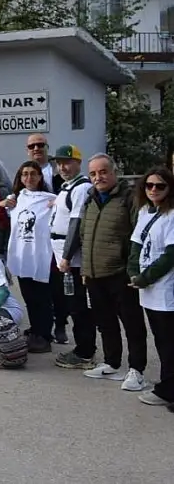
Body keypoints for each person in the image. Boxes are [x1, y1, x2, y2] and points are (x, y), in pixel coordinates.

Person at [78, 153, 149, 392]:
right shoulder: (90, 199)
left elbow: (139, 235)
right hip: (94, 273)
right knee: (105, 322)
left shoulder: (129, 198)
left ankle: (136, 370)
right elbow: (84, 234)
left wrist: (131, 268)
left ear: (113, 172)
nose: (99, 177)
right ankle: (111, 362)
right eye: (94, 174)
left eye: (103, 171)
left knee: (132, 323)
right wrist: (86, 268)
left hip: (120, 273)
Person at [128, 166, 174, 408]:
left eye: (160, 186)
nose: (154, 190)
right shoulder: (146, 211)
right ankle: (168, 385)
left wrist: (145, 277)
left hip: (165, 289)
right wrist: (133, 272)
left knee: (168, 342)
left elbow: (170, 255)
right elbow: (136, 244)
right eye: (149, 185)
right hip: (147, 290)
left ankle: (168, 390)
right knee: (161, 339)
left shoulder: (172, 215)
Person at [3, 161, 57, 353]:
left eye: (33, 173)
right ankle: (35, 330)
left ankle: (44, 335)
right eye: (24, 174)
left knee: (42, 298)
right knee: (29, 297)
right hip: (22, 255)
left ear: (40, 177)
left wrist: (57, 203)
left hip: (40, 256)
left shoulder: (50, 199)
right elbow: (2, 216)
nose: (29, 178)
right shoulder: (15, 199)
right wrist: (3, 204)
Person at [51, 145, 96, 367]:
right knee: (72, 304)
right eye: (59, 163)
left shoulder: (80, 188)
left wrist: (67, 258)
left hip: (72, 262)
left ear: (78, 162)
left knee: (79, 307)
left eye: (67, 162)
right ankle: (83, 348)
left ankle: (85, 352)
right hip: (63, 258)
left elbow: (76, 224)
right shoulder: (67, 187)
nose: (62, 167)